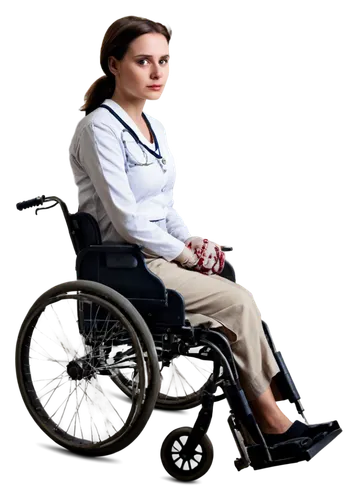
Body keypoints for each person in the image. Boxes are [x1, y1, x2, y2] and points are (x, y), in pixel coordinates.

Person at [67, 14, 320, 446]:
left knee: (234, 289)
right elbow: (128, 220)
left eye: (164, 61)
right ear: (113, 65)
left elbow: (164, 209)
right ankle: (273, 425)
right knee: (238, 303)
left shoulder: (155, 129)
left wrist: (196, 242)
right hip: (125, 262)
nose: (157, 72)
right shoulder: (98, 130)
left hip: (157, 254)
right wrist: (184, 255)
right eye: (143, 61)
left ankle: (279, 410)